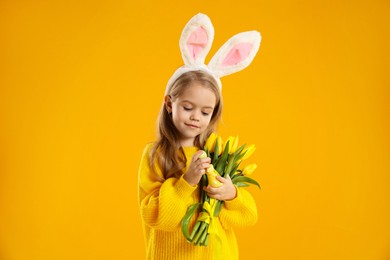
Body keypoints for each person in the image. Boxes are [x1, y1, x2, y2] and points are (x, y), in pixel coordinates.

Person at [138, 13, 262, 259]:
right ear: (170, 103)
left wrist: (232, 194)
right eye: (188, 107)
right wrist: (187, 182)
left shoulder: (219, 153)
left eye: (205, 112)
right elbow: (156, 217)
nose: (196, 117)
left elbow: (249, 216)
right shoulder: (156, 155)